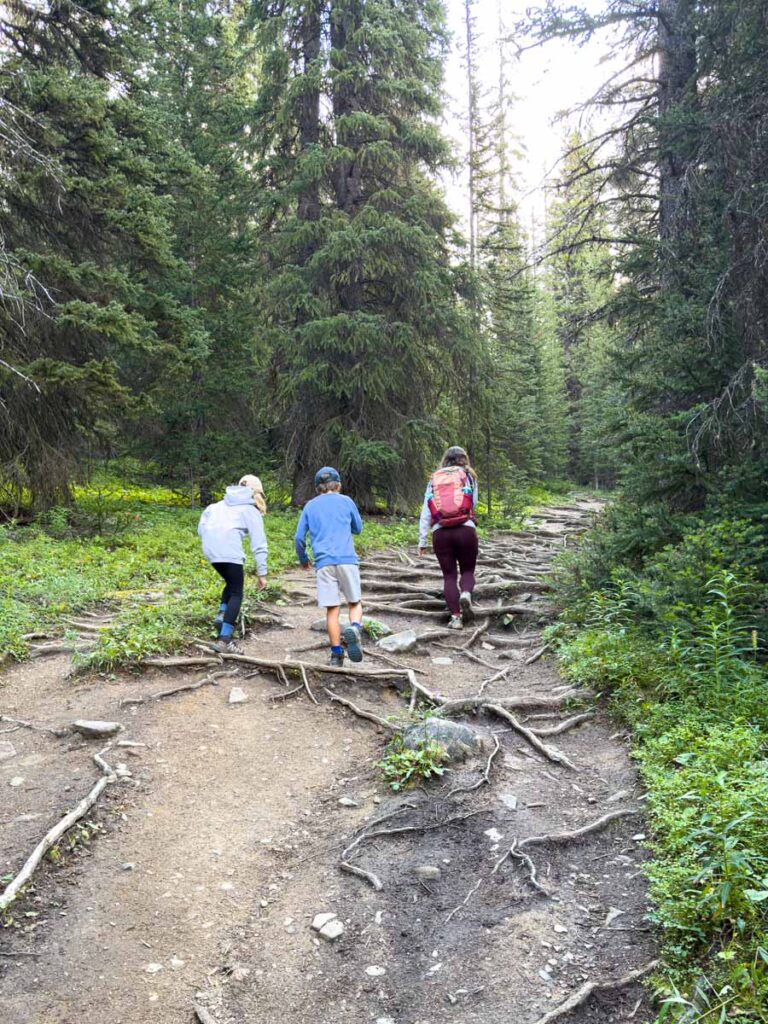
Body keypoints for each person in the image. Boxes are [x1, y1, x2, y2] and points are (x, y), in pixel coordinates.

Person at [294, 466, 364, 667]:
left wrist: (303, 559)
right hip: (347, 560)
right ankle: (355, 628)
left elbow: (299, 538)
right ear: (338, 484)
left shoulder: (310, 506)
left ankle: (336, 655)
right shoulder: (347, 501)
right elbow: (357, 528)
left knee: (332, 609)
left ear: (317, 487)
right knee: (354, 602)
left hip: (324, 563)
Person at [198, 474, 268, 653]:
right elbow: (259, 545)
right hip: (229, 551)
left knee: (231, 582)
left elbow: (201, 529)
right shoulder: (250, 510)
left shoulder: (216, 505)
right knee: (237, 591)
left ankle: (223, 614)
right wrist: (262, 573)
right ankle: (225, 640)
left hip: (210, 551)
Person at [418, 446, 479, 630]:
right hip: (465, 529)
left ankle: (456, 618)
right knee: (467, 571)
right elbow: (472, 503)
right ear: (464, 458)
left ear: (445, 459)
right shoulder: (468, 476)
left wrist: (422, 540)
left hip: (440, 531)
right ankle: (466, 593)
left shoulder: (434, 479)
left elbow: (426, 511)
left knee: (449, 576)